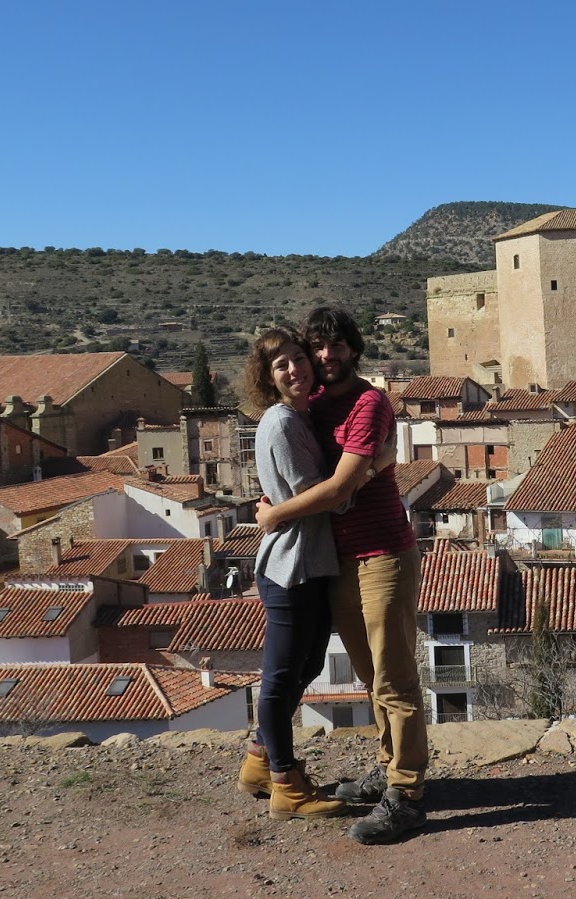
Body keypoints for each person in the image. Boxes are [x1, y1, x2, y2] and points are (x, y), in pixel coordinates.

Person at [256, 307, 427, 845]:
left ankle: (406, 795)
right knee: (370, 676)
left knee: (394, 679)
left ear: (353, 348)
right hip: (339, 560)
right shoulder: (310, 405)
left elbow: (338, 489)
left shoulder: (369, 403)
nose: (326, 356)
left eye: (336, 345)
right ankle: (387, 766)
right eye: (317, 347)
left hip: (383, 555)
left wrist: (273, 516)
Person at [234, 326, 346, 821]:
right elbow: (318, 496)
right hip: (291, 567)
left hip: (309, 563)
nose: (295, 369)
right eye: (281, 365)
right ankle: (287, 785)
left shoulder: (299, 417)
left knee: (307, 666)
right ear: (268, 377)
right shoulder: (282, 423)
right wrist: (365, 473)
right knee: (279, 681)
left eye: (298, 358)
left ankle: (259, 762)